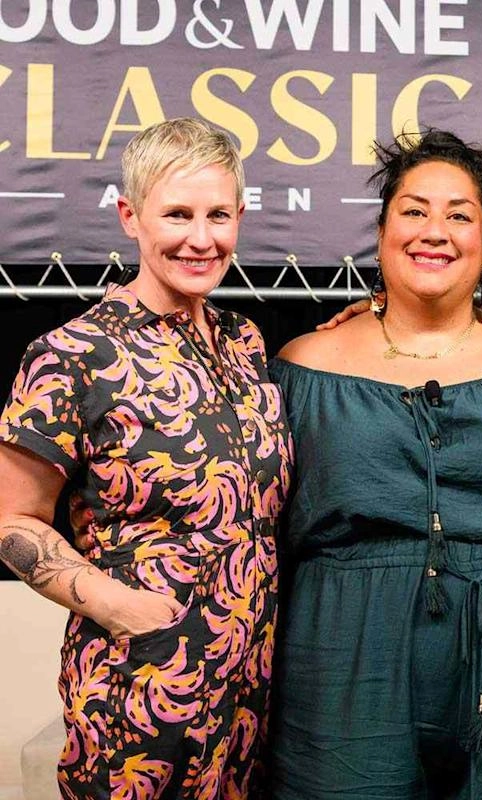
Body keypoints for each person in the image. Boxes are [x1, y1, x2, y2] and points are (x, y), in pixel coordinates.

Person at [267, 130, 482, 799]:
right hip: (344, 660)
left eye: (459, 215)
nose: (434, 231)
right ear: (381, 232)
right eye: (413, 211)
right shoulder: (301, 367)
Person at [0, 118, 293, 799]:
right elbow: (11, 518)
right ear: (130, 216)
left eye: (218, 215)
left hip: (248, 689)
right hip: (139, 687)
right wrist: (125, 610)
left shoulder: (244, 342)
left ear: (240, 217)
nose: (201, 238)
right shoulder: (73, 354)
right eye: (177, 214)